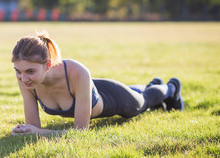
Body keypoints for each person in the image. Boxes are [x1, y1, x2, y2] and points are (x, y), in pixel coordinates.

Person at [11, 31, 184, 135]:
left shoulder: (77, 72)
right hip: (89, 92)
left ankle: (171, 88)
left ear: (47, 64)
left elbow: (80, 132)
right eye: (18, 71)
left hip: (113, 97)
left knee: (142, 102)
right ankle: (152, 84)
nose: (23, 78)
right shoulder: (27, 81)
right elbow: (32, 128)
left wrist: (40, 133)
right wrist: (24, 131)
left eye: (30, 71)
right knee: (139, 93)